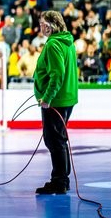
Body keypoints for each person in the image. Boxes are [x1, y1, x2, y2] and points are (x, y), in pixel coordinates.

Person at [33, 10, 79, 195]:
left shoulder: (53, 45)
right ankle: (62, 179)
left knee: (53, 140)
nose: (41, 27)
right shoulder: (67, 41)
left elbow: (57, 75)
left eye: (43, 23)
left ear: (50, 26)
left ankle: (59, 181)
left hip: (55, 101)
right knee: (59, 139)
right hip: (67, 98)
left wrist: (47, 98)